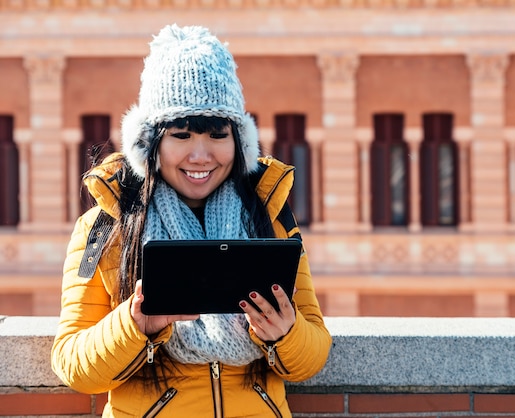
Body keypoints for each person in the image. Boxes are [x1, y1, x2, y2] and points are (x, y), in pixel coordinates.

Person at [51, 24, 332, 417]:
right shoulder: (106, 224)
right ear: (151, 144)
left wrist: (286, 334)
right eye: (181, 135)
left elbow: (314, 352)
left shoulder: (269, 216)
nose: (201, 156)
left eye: (218, 135)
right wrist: (135, 325)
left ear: (239, 141)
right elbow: (72, 364)